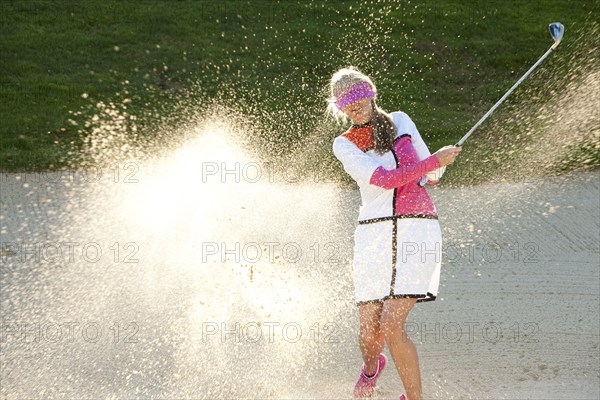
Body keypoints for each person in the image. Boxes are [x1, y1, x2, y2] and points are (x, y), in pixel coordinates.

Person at [329, 67, 461, 400]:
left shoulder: (401, 120)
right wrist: (430, 165)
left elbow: (435, 175)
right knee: (369, 330)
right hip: (374, 236)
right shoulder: (344, 145)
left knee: (390, 325)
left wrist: (435, 166)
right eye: (347, 104)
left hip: (418, 230)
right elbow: (386, 180)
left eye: (359, 98)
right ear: (340, 108)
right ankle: (371, 368)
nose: (355, 107)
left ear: (371, 94)